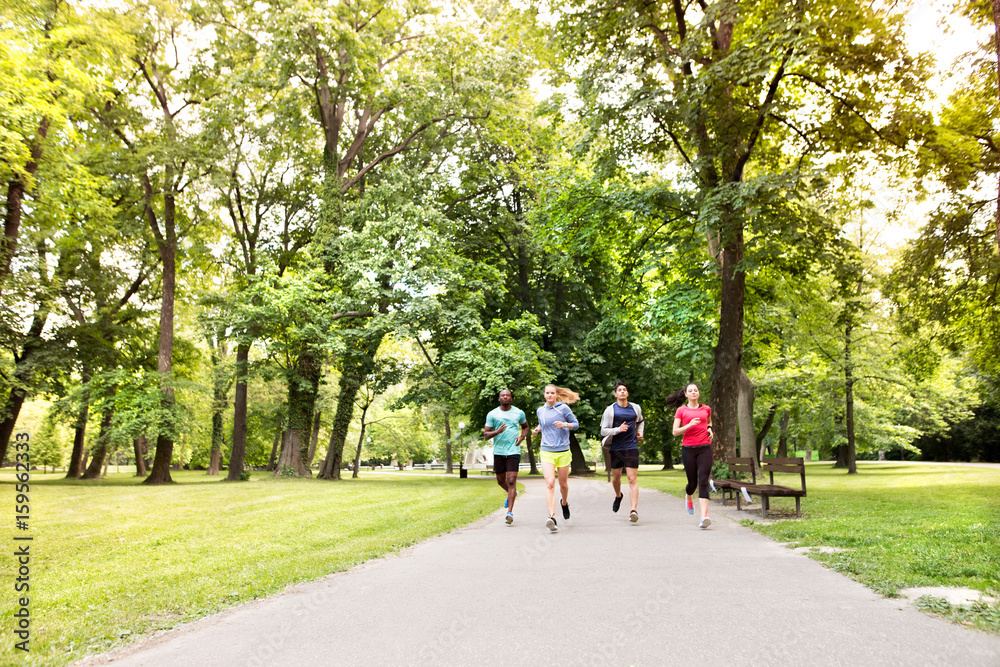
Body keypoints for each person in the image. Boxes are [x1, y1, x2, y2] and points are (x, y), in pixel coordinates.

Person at [532, 384, 580, 532]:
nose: (550, 395)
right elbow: (542, 424)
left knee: (563, 485)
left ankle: (564, 503)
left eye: (552, 393)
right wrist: (537, 430)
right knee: (550, 483)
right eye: (547, 393)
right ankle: (551, 517)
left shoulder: (563, 408)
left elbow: (576, 425)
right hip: (546, 450)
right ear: (544, 395)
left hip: (563, 450)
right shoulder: (540, 410)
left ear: (556, 394)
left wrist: (565, 424)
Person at [668, 383, 714, 529]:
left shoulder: (706, 409)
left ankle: (704, 516)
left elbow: (709, 422)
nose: (693, 392)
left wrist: (710, 429)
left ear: (698, 393)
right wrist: (689, 425)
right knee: (692, 484)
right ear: (686, 394)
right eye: (690, 391)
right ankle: (689, 496)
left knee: (703, 481)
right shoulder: (681, 410)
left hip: (705, 448)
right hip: (688, 449)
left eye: (696, 390)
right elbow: (675, 432)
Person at [600, 381, 644, 523]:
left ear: (627, 393)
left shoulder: (635, 408)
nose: (622, 392)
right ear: (615, 394)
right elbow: (603, 430)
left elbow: (641, 421)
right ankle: (618, 495)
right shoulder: (610, 410)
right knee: (616, 479)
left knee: (632, 479)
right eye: (620, 390)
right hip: (616, 447)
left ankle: (633, 510)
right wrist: (618, 429)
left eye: (624, 389)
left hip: (631, 447)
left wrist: (639, 433)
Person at [483, 389, 529, 525]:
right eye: (502, 396)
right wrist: (497, 431)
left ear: (511, 398)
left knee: (511, 480)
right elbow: (486, 434)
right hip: (499, 451)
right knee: (500, 480)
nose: (505, 397)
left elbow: (525, 426)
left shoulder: (519, 413)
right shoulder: (492, 414)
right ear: (499, 399)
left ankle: (509, 512)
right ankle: (512, 494)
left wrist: (522, 437)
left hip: (513, 450)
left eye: (507, 395)